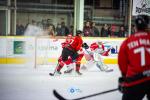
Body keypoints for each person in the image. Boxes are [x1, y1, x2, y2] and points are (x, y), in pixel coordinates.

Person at [118, 15, 150, 100]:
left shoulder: (128, 41)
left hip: (135, 81)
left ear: (135, 27)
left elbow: (122, 63)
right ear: (147, 25)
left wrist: (124, 78)